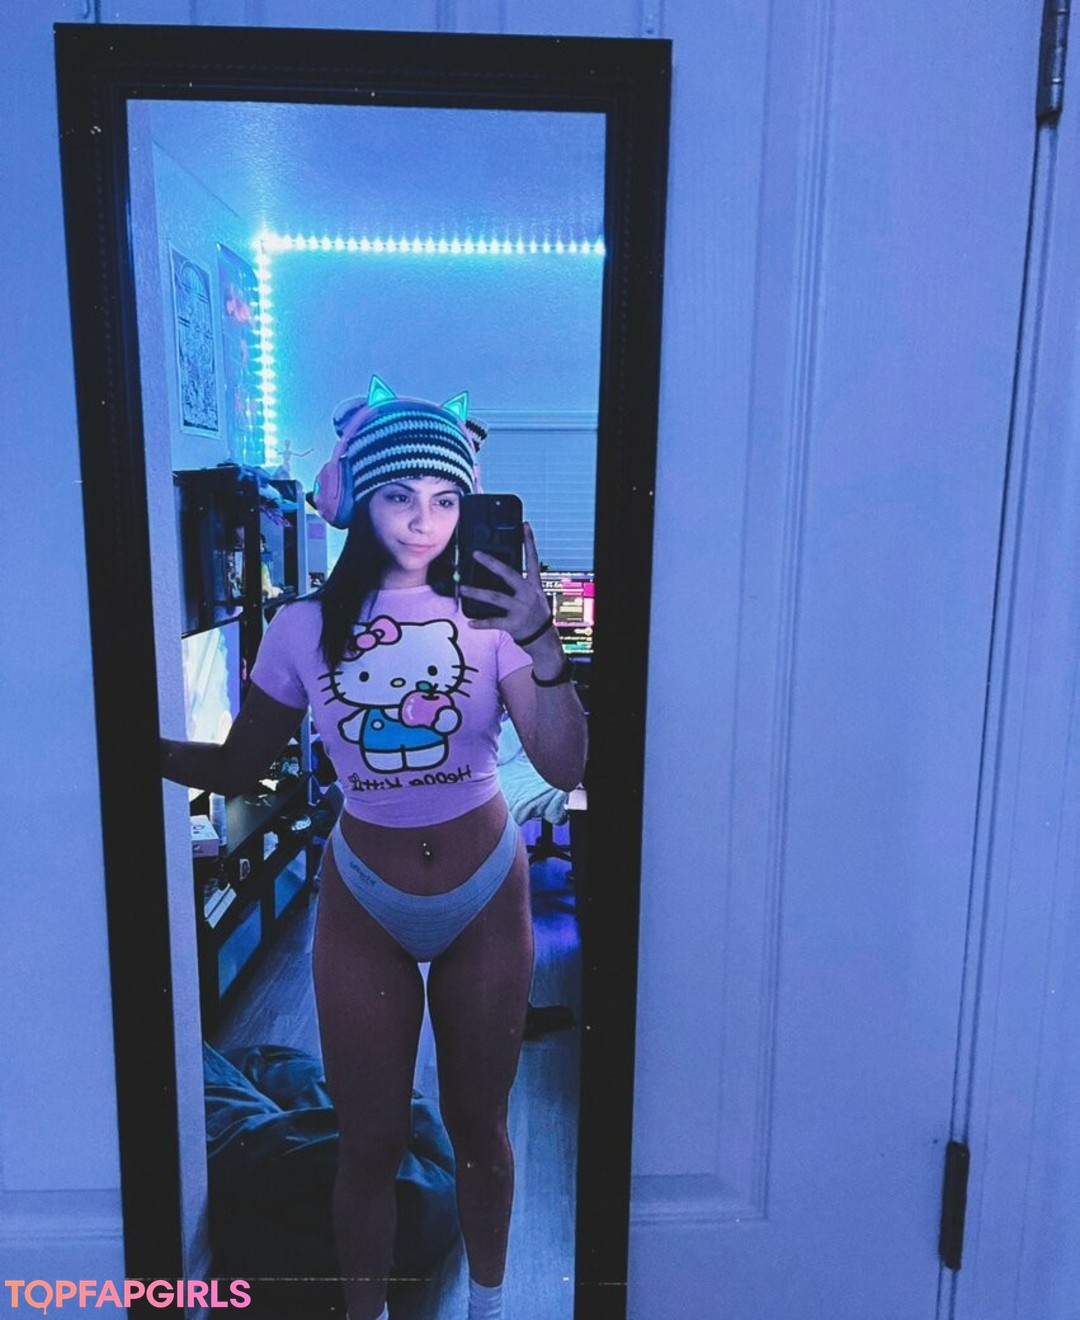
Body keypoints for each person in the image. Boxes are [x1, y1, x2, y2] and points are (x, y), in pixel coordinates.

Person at [161, 377, 588, 1320]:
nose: (424, 521)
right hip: (364, 898)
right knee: (368, 1145)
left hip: (485, 892)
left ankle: (486, 1309)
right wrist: (130, 743)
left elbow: (564, 761)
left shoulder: (496, 622)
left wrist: (541, 638)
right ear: (360, 499)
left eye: (445, 498)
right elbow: (239, 767)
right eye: (399, 495)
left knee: (482, 1133)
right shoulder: (302, 626)